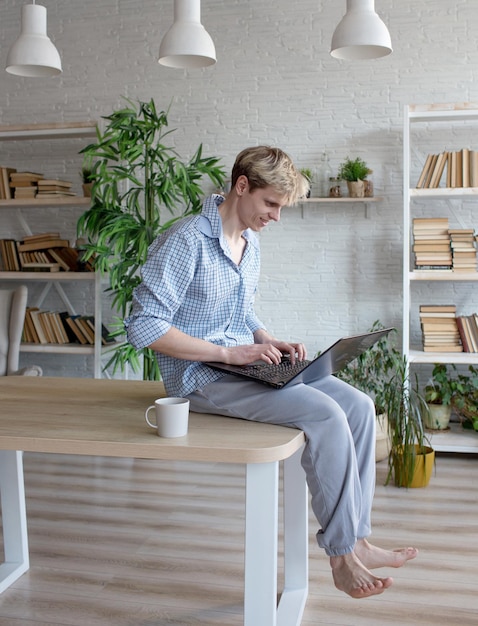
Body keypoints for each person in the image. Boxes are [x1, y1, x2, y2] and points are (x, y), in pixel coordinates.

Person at [125, 145, 418, 599]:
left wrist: (265, 338)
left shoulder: (249, 243)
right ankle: (341, 558)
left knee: (358, 406)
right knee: (324, 414)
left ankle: (358, 537)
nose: (276, 217)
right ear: (241, 186)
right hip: (202, 379)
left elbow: (241, 314)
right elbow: (143, 325)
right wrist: (229, 355)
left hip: (242, 366)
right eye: (271, 204)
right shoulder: (185, 240)